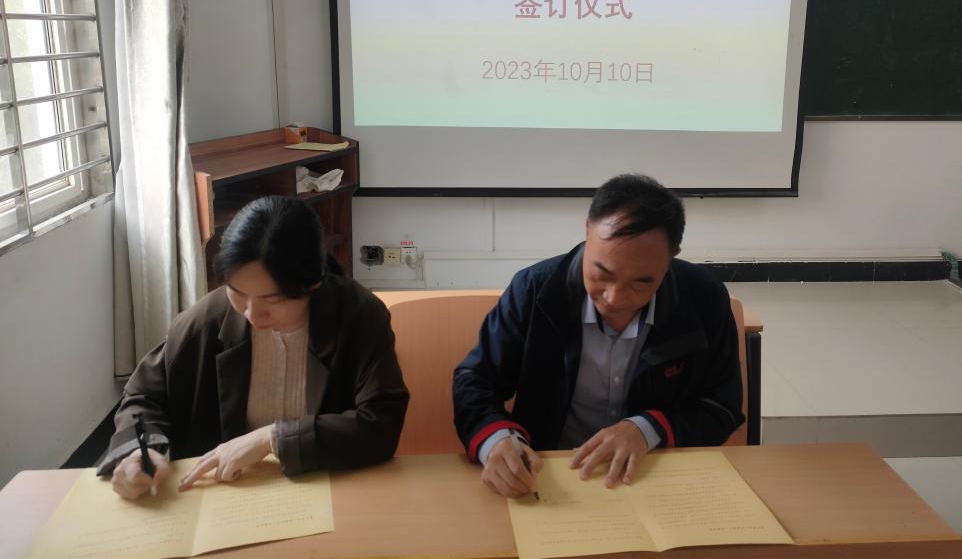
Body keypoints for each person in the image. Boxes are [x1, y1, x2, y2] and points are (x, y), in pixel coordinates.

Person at [98, 196, 409, 499]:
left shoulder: (358, 316)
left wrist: (274, 437)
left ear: (314, 282)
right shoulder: (207, 320)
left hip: (330, 489)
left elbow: (381, 422)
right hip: (225, 494)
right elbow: (144, 395)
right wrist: (140, 451)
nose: (251, 314)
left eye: (273, 299)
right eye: (237, 292)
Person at [453, 173, 744, 498]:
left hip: (651, 475)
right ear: (587, 231)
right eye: (601, 273)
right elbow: (475, 381)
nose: (614, 298)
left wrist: (646, 429)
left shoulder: (703, 298)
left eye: (641, 283)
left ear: (671, 257)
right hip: (549, 475)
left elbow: (722, 405)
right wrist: (497, 441)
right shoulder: (535, 290)